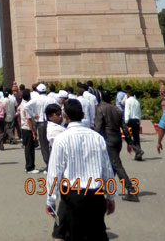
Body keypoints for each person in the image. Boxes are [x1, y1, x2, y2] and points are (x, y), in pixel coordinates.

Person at [46, 99, 115, 241]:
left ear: (65, 115)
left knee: (71, 234)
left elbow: (54, 172)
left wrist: (51, 199)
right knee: (96, 233)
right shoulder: (97, 138)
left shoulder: (61, 139)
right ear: (82, 114)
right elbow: (107, 169)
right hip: (96, 193)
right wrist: (110, 195)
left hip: (72, 195)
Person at [94, 90, 138, 201]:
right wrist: (129, 141)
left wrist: (94, 140)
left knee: (116, 164)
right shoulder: (117, 109)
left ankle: (131, 190)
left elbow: (98, 127)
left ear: (101, 98)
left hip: (108, 139)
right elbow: (124, 127)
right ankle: (105, 186)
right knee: (112, 164)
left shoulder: (101, 109)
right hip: (117, 139)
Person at [19, 88, 39, 174]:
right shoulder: (26, 106)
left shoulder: (22, 104)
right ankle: (30, 167)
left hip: (24, 128)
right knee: (29, 148)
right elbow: (29, 120)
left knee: (28, 147)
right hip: (28, 128)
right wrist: (33, 131)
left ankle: (29, 165)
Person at [124, 88, 144, 160]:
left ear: (128, 94)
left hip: (130, 121)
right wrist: (139, 122)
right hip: (136, 120)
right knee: (136, 138)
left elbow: (127, 111)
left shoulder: (128, 101)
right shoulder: (137, 102)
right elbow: (139, 113)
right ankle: (138, 156)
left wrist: (126, 121)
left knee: (127, 137)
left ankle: (138, 150)